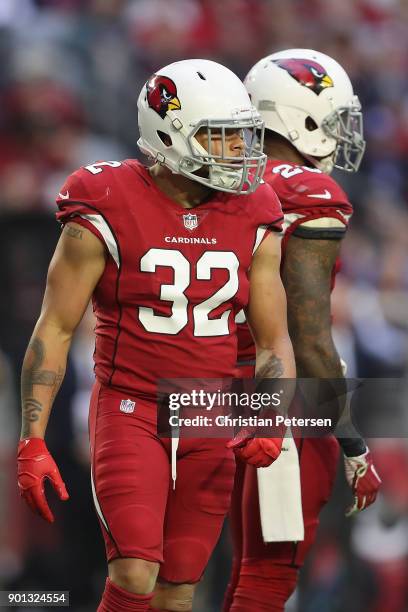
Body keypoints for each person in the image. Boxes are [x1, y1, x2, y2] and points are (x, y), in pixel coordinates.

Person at [16, 59, 296, 612]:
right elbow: (57, 324)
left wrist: (269, 412)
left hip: (208, 411)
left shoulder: (257, 210)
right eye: (221, 138)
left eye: (242, 137)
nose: (239, 152)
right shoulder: (106, 199)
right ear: (170, 135)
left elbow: (272, 339)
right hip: (132, 406)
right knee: (136, 572)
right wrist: (33, 436)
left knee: (178, 589)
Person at [224, 49, 382, 612]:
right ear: (300, 116)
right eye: (334, 117)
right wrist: (354, 444)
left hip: (193, 385)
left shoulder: (209, 175)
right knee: (267, 577)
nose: (343, 133)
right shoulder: (311, 194)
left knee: (176, 572)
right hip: (280, 397)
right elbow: (310, 337)